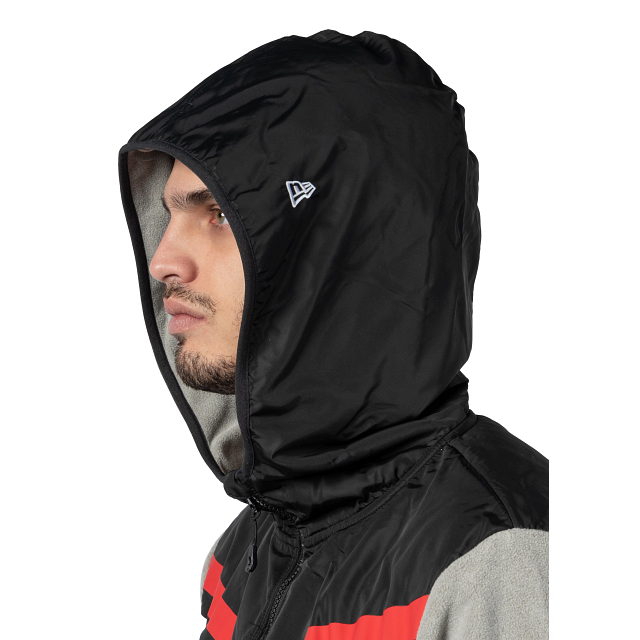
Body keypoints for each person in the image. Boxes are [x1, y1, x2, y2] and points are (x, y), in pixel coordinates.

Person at [118, 29, 549, 640]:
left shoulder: (498, 558)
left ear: (341, 247)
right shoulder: (243, 551)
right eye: (169, 214)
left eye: (217, 213)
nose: (163, 259)